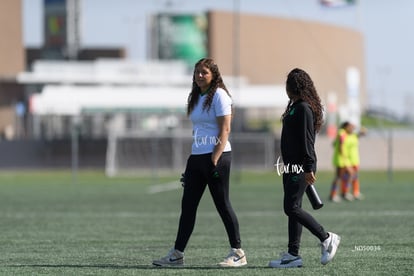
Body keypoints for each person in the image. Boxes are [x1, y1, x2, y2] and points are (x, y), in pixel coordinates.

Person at [152, 58, 247, 267]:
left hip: (217, 157)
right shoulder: (195, 96)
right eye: (197, 72)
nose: (199, 76)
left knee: (222, 205)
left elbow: (225, 129)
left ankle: (238, 253)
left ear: (213, 75)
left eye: (204, 72)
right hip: (196, 157)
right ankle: (177, 254)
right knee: (188, 207)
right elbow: (199, 130)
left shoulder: (220, 96)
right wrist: (195, 161)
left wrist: (214, 157)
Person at [269, 68, 340, 268]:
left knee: (290, 207)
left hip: (301, 165)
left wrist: (308, 167)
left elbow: (307, 141)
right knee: (295, 208)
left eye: (288, 85)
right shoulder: (294, 106)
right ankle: (293, 254)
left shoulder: (304, 108)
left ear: (296, 86)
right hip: (290, 165)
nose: (286, 89)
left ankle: (326, 237)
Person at [329, 121, 355, 202]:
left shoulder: (345, 134)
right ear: (346, 127)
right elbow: (340, 146)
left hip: (343, 159)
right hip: (341, 160)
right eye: (350, 127)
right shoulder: (342, 133)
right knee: (338, 177)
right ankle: (333, 195)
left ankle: (344, 192)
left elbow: (333, 144)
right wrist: (344, 158)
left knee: (348, 174)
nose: (352, 129)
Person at [347, 125, 367, 200]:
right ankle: (345, 193)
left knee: (355, 177)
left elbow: (363, 133)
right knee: (347, 178)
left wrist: (362, 129)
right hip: (348, 161)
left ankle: (356, 192)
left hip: (355, 160)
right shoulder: (345, 136)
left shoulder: (354, 136)